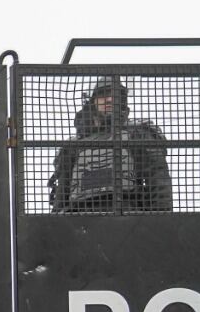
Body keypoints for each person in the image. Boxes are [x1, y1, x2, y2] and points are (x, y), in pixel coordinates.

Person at [50, 76, 172, 214]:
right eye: (102, 95)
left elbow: (157, 178)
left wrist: (162, 220)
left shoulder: (137, 134)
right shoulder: (73, 146)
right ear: (92, 101)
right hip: (80, 220)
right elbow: (61, 194)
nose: (109, 99)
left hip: (127, 216)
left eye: (114, 95)